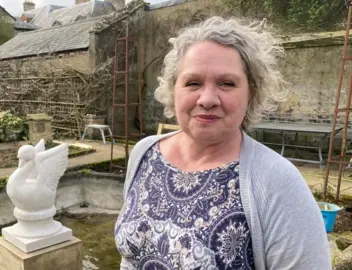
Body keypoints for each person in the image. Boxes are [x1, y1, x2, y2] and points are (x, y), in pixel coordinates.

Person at [114, 16, 331, 270]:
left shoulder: (278, 184)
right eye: (193, 82)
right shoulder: (144, 153)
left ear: (251, 92)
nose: (207, 99)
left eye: (226, 83)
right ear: (174, 89)